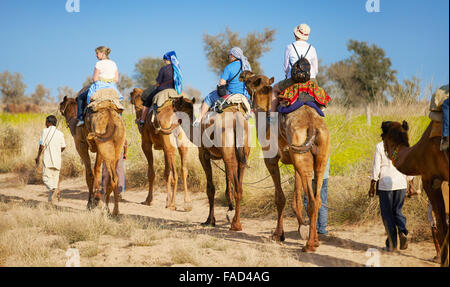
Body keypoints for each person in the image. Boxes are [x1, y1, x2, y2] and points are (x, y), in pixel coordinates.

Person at [369, 124, 415, 251]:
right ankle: (402, 231)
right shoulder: (402, 145)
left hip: (385, 185)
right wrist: (411, 184)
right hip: (401, 183)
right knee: (398, 210)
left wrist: (372, 186)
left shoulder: (380, 146)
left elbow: (376, 168)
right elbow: (407, 165)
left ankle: (392, 244)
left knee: (387, 214)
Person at [193, 47, 252, 127]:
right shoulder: (247, 67)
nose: (229, 57)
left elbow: (221, 82)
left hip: (230, 94)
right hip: (245, 95)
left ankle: (199, 120)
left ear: (233, 56)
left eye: (229, 55)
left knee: (208, 98)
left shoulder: (229, 67)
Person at [270, 23, 319, 116]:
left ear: (295, 34)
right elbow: (315, 70)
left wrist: (289, 76)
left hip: (293, 80)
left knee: (274, 89)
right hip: (311, 80)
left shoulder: (289, 47)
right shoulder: (312, 48)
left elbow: (286, 68)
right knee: (319, 96)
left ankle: (272, 118)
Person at [77, 46, 122, 127]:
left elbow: (94, 79)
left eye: (97, 53)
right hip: (111, 87)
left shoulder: (99, 63)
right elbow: (116, 79)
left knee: (80, 97)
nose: (96, 55)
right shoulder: (113, 63)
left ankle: (80, 119)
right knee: (118, 103)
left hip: (99, 86)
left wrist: (102, 80)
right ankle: (120, 119)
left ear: (103, 53)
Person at [136, 51, 183, 127]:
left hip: (162, 90)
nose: (164, 62)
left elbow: (158, 83)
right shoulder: (177, 69)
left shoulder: (164, 69)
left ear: (168, 60)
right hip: (174, 91)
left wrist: (157, 86)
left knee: (147, 101)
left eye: (165, 60)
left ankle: (142, 120)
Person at [35, 115, 66, 203]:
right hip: (57, 161)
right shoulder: (60, 133)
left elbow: (41, 146)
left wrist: (38, 157)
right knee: (54, 181)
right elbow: (63, 147)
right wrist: (57, 151)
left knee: (46, 178)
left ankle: (53, 189)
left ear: (49, 122)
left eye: (46, 122)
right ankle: (50, 202)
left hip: (48, 160)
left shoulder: (45, 131)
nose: (45, 124)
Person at [303, 157, 330, 235]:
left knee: (307, 201)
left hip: (311, 178)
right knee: (322, 202)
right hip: (324, 177)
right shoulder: (325, 146)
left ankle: (315, 225)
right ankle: (322, 228)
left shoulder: (309, 148)